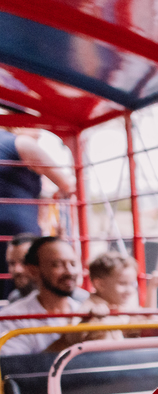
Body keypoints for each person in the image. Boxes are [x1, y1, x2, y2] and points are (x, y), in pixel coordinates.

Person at [0, 128, 74, 297]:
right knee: (24, 277)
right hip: (18, 225)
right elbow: (65, 183)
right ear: (18, 123)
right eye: (34, 125)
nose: (39, 132)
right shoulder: (21, 142)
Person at [0, 236, 87, 354]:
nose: (70, 272)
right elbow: (14, 364)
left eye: (73, 264)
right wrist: (70, 339)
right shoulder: (11, 319)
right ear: (33, 271)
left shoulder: (86, 307)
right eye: (57, 264)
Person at [6, 231, 38, 302]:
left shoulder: (59, 298)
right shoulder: (15, 298)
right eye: (12, 263)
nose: (17, 270)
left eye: (24, 262)